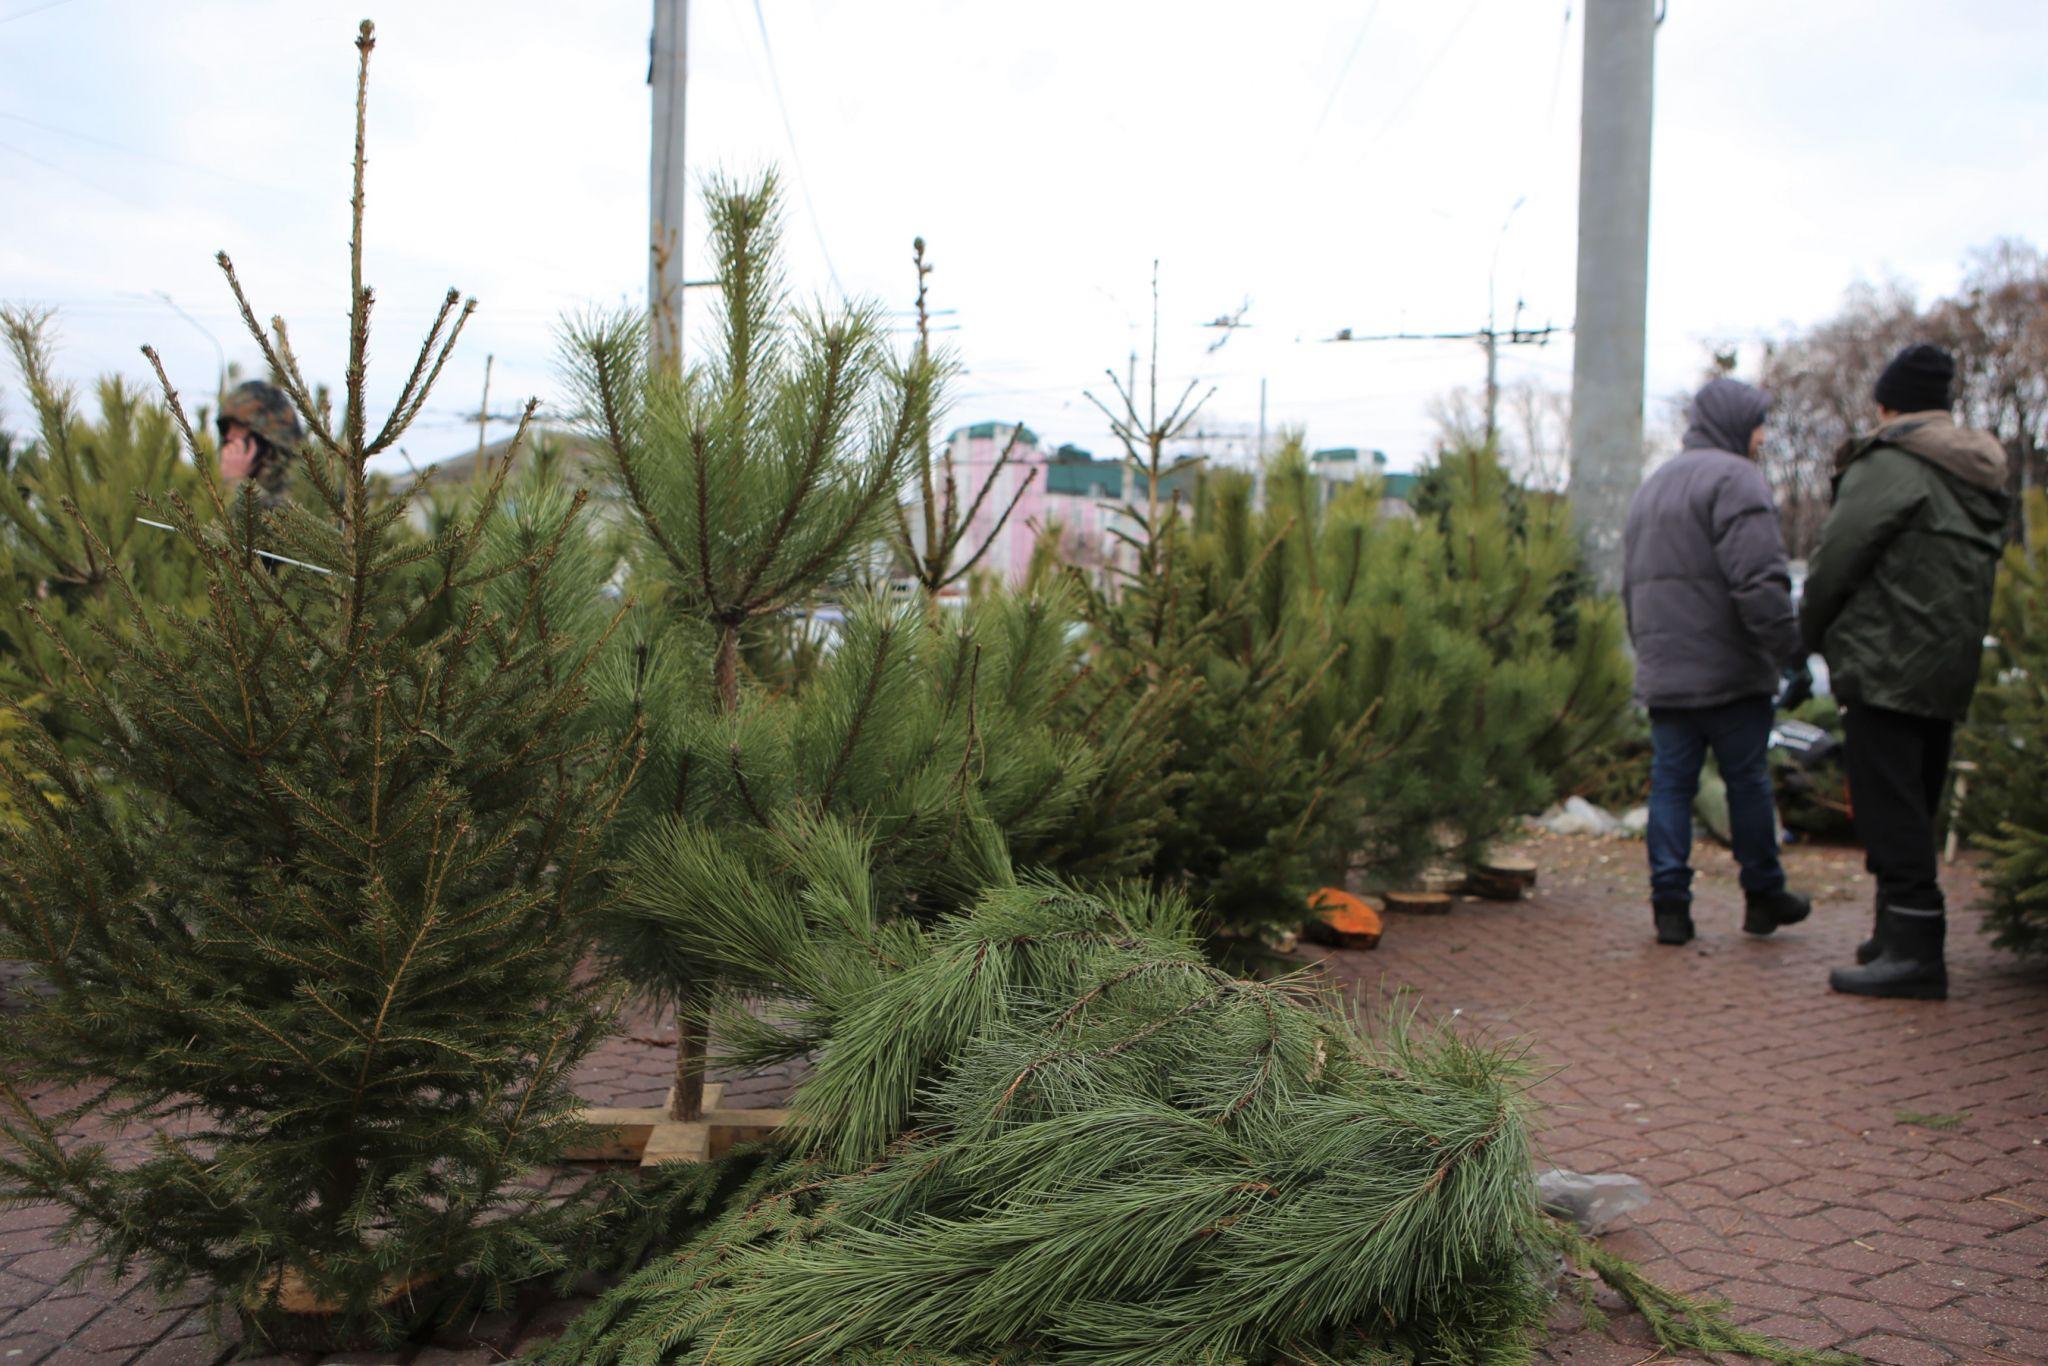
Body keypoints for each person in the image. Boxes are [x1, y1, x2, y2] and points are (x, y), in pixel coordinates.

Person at [1802, 344, 2009, 1001]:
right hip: (1945, 666)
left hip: (1886, 663)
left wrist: (1806, 635)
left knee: (1890, 811)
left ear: (1890, 406)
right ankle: (1894, 935)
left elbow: (1837, 558)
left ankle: (1916, 954)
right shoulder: (1976, 472)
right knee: (1916, 802)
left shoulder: (1893, 463)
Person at [1623, 377, 1812, 946]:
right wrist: (1790, 653)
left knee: (1671, 788)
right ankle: (1762, 896)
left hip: (1666, 675)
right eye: (1758, 424)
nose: (1760, 438)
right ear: (1736, 423)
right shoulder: (1736, 479)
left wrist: (1650, 652)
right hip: (1730, 675)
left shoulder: (1653, 486)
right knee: (1747, 783)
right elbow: (1759, 582)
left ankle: (1671, 910)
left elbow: (1631, 587)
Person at [214, 379, 303, 508]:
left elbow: (282, 523)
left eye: (239, 426)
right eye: (226, 428)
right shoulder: (259, 479)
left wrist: (235, 482)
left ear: (265, 434)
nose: (229, 436)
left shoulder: (305, 478)